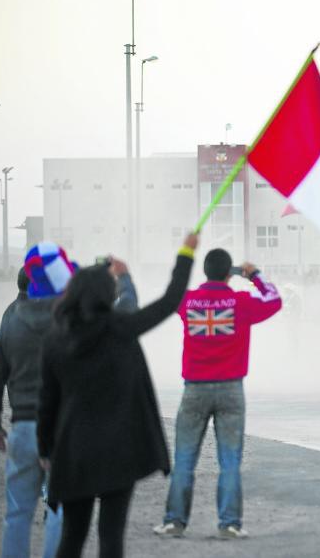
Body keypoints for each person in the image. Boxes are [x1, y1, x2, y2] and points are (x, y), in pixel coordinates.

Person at [36, 234, 198, 558]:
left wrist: (45, 449)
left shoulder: (56, 340)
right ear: (105, 295)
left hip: (74, 449)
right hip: (119, 449)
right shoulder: (121, 327)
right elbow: (170, 302)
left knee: (72, 536)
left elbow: (47, 403)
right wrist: (185, 253)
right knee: (111, 536)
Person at [154, 248, 282, 539]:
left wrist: (184, 260)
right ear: (229, 273)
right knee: (230, 461)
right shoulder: (241, 302)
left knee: (184, 459)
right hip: (231, 389)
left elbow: (170, 293)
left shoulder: (188, 301)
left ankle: (174, 522)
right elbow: (274, 300)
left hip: (194, 389)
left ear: (205, 271)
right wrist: (255, 275)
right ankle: (230, 524)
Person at [0, 243, 80, 558]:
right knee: (59, 508)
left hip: (23, 426)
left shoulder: (9, 321)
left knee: (17, 511)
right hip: (61, 427)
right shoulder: (65, 320)